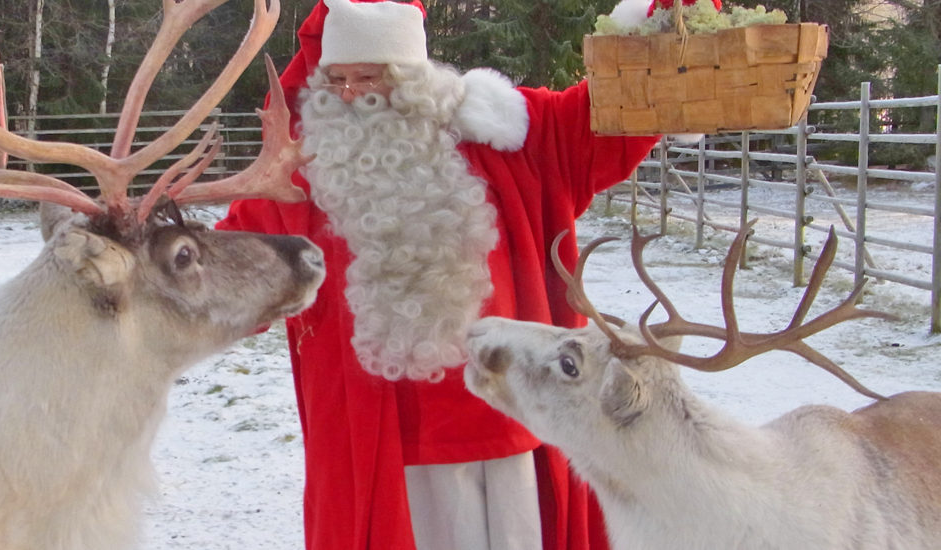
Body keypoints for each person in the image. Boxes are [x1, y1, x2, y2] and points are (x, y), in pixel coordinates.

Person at [217, 1, 662, 549]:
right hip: (380, 439)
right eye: (336, 80)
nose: (351, 94)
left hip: (510, 416)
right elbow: (232, 264)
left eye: (368, 76)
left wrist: (667, 15)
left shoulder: (517, 136)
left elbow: (621, 105)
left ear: (412, 77)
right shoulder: (301, 175)